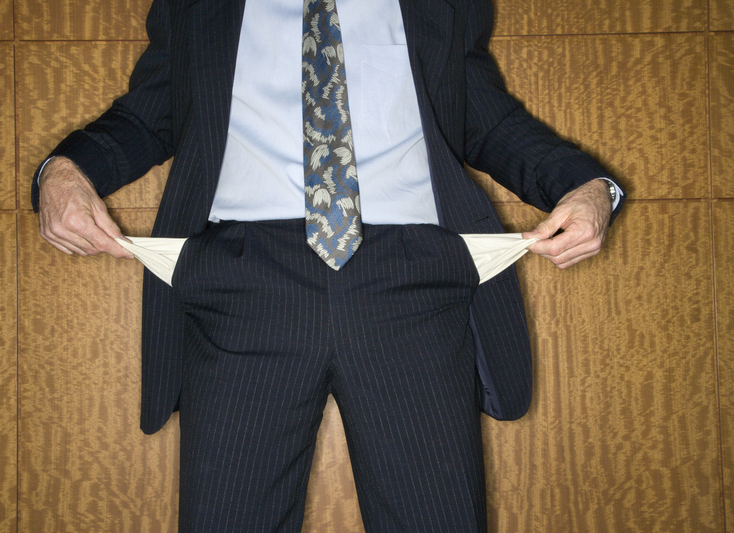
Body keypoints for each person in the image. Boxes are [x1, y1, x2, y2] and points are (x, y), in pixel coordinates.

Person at [33, 0, 625, 531]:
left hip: (413, 282)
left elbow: (482, 117)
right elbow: (152, 113)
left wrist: (588, 186)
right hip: (242, 286)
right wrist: (64, 171)